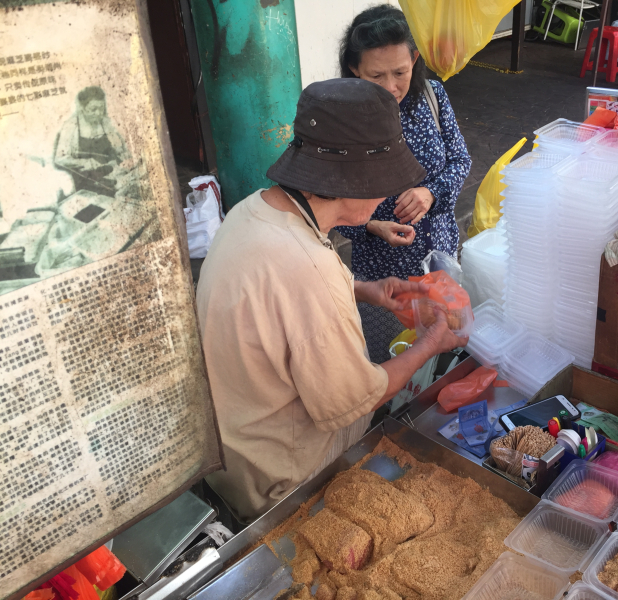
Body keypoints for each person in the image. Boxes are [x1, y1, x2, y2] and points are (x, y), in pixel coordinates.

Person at [196, 78, 467, 524]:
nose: (384, 197)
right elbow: (359, 395)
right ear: (352, 183)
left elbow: (279, 301)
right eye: (382, 184)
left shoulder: (251, 211)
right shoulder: (307, 267)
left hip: (231, 456)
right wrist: (431, 345)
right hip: (283, 481)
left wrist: (363, 288)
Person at [335, 5, 472, 363]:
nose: (391, 87)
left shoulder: (432, 96)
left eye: (400, 72)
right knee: (392, 364)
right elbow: (323, 204)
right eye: (376, 76)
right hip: (384, 278)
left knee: (442, 350)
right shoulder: (340, 121)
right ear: (354, 69)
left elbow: (461, 160)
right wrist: (370, 224)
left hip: (439, 260)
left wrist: (431, 192)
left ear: (414, 59)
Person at [54, 86, 130, 197]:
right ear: (82, 108)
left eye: (101, 108)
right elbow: (59, 159)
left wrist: (122, 160)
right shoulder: (71, 126)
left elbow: (121, 149)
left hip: (113, 178)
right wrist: (85, 162)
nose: (99, 113)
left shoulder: (105, 122)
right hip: (87, 186)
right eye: (93, 109)